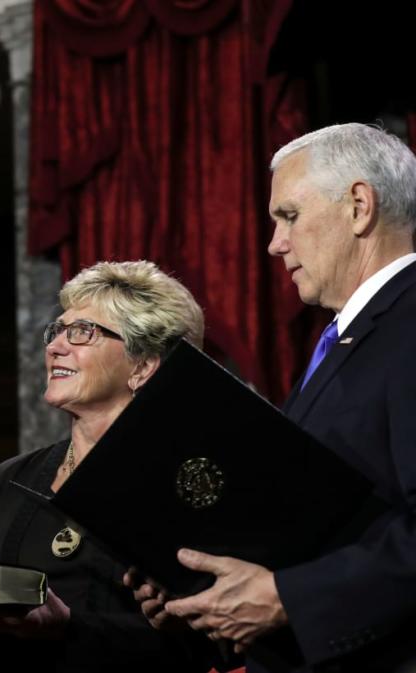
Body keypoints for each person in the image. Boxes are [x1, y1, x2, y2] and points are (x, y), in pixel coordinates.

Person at [130, 123, 416, 673]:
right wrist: (206, 592)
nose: (274, 243)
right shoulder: (343, 343)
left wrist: (289, 598)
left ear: (359, 206)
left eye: (288, 216)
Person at [0, 260, 210, 672]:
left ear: (143, 365)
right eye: (56, 331)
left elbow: (206, 650)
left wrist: (67, 628)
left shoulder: (185, 483)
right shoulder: (11, 480)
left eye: (82, 332)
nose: (54, 347)